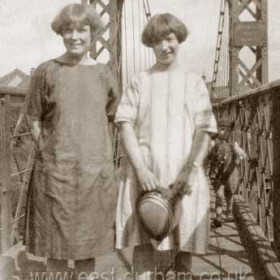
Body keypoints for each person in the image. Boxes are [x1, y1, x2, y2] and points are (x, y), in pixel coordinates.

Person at [114, 13, 217, 279]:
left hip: (184, 176)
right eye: (157, 41)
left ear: (178, 40)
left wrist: (189, 170)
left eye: (169, 39)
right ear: (150, 44)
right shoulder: (139, 81)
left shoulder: (193, 82)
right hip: (144, 175)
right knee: (142, 244)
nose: (164, 47)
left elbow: (204, 129)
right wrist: (140, 169)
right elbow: (124, 125)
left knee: (183, 250)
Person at [23, 4, 119, 278]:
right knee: (55, 251)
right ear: (61, 33)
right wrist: (47, 153)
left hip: (93, 177)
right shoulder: (46, 71)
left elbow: (115, 117)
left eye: (82, 29)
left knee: (87, 253)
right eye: (69, 30)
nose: (75, 36)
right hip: (55, 177)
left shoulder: (104, 74)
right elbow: (33, 117)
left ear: (93, 33)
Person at [208, 118, 246, 228]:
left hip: (230, 172)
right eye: (222, 129)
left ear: (230, 131)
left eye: (227, 130)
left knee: (229, 195)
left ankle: (229, 212)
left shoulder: (233, 143)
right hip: (218, 173)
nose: (224, 132)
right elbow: (208, 154)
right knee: (219, 194)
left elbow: (240, 151)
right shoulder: (213, 142)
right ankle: (218, 217)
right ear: (217, 130)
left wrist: (240, 155)